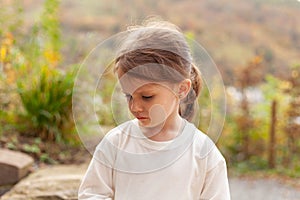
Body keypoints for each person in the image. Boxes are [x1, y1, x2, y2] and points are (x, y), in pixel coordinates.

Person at [78, 19, 231, 200]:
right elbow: (92, 194)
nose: (134, 107)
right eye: (128, 96)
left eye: (147, 97)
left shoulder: (203, 153)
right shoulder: (116, 143)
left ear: (182, 89)